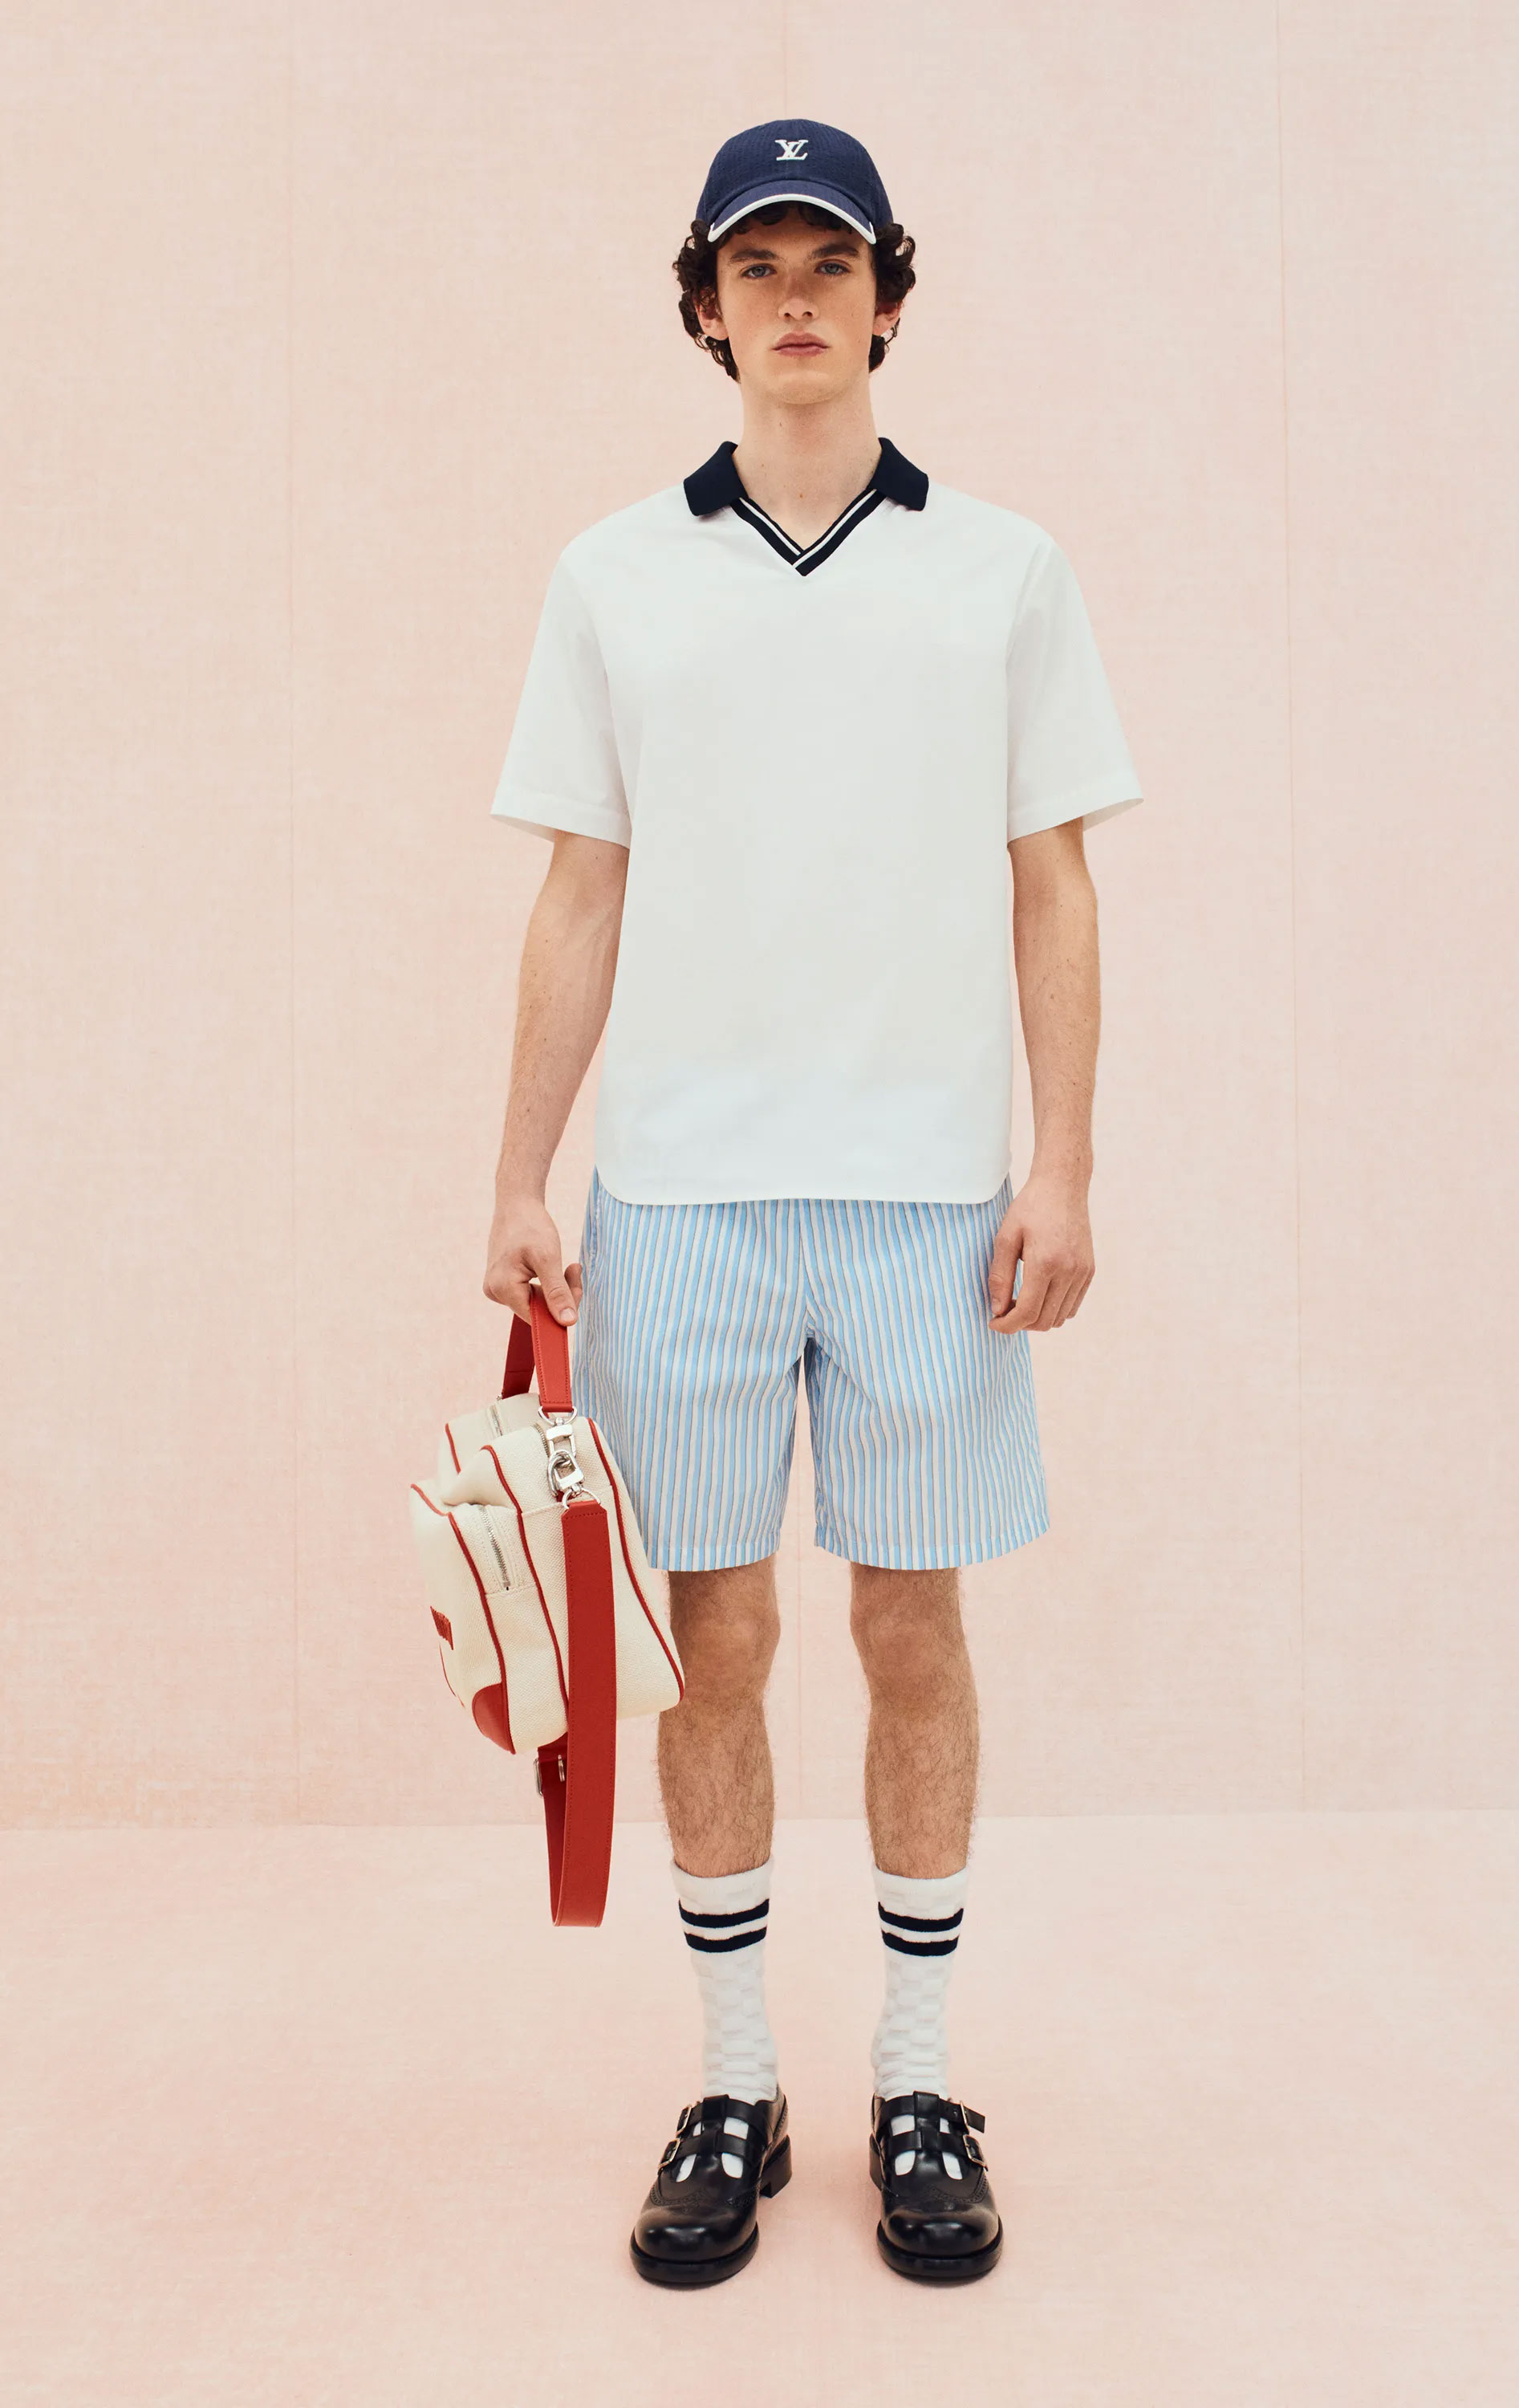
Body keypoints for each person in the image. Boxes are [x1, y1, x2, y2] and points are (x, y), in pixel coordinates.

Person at [483, 117, 1142, 2287]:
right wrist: (518, 1174)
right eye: (754, 264)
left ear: (885, 299)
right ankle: (738, 2077)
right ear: (704, 305)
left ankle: (921, 2079)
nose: (792, 295)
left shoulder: (1003, 572)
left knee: (912, 1623)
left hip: (927, 1203)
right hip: (681, 1199)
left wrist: (1063, 1164)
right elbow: (580, 889)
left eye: (828, 262)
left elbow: (1055, 881)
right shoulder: (613, 577)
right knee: (719, 1637)